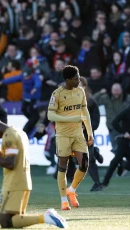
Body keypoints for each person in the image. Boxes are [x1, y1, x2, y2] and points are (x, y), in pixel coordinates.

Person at [0, 116, 68, 229]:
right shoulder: (19, 132)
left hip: (14, 182)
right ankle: (46, 217)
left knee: (4, 221)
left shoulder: (9, 136)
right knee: (11, 221)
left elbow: (10, 164)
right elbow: (15, 158)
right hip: (23, 180)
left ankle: (47, 217)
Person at [47, 65, 94, 211]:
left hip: (78, 134)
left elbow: (84, 111)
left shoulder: (80, 91)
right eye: (75, 79)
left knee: (84, 164)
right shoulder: (57, 94)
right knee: (63, 167)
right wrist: (71, 119)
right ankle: (63, 201)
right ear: (67, 80)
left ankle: (71, 190)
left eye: (79, 77)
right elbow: (50, 115)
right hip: (63, 135)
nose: (78, 81)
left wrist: (90, 132)